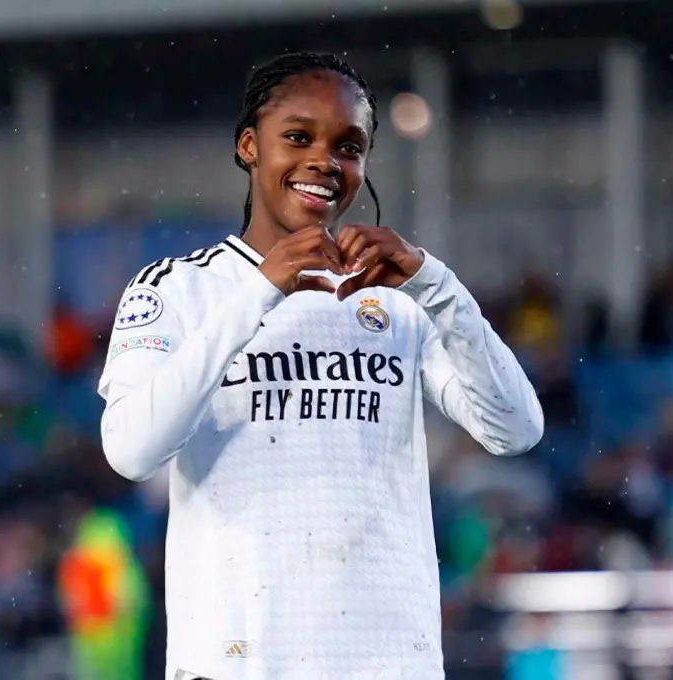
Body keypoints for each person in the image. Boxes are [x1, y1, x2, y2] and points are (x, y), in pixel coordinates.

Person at [98, 51, 543, 680]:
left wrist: (437, 285)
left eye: (349, 146)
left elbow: (516, 429)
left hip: (386, 662)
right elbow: (132, 451)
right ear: (250, 146)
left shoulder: (396, 299)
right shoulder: (176, 290)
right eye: (298, 137)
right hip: (237, 662)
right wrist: (261, 289)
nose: (324, 162)